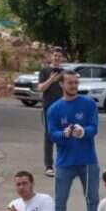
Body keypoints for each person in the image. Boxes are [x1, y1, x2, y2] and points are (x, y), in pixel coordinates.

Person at [48, 69, 100, 211]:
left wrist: (82, 131)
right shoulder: (54, 109)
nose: (74, 86)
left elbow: (94, 127)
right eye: (70, 83)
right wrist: (64, 133)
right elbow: (52, 134)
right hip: (65, 162)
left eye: (76, 82)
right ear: (61, 84)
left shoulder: (88, 104)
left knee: (92, 200)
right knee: (60, 201)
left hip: (87, 160)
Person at [38, 47, 66, 177]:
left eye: (59, 56)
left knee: (64, 135)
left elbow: (69, 90)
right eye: (55, 55)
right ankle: (48, 166)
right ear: (51, 57)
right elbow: (41, 88)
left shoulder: (64, 73)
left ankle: (63, 164)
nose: (57, 58)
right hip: (49, 108)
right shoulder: (44, 71)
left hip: (63, 108)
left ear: (62, 58)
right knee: (49, 136)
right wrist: (51, 79)